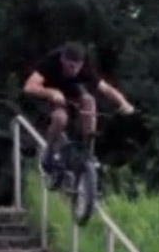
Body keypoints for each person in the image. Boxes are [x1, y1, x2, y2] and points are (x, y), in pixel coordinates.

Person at [22, 41, 135, 176]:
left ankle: (88, 149)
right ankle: (49, 152)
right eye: (69, 67)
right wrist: (51, 93)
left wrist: (123, 103)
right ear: (62, 60)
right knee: (60, 118)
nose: (73, 71)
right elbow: (29, 86)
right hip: (52, 95)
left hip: (72, 93)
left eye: (76, 67)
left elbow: (106, 88)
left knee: (89, 100)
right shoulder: (51, 62)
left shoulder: (85, 68)